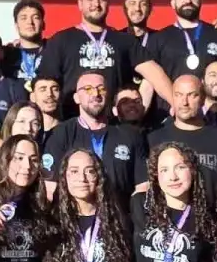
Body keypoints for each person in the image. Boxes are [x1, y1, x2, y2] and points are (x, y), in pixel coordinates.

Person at [38, 0, 173, 117]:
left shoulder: (124, 40)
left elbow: (154, 73)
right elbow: (45, 84)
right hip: (74, 121)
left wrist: (175, 103)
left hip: (114, 121)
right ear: (80, 4)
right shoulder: (61, 40)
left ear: (108, 4)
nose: (96, 4)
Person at [42, 70, 148, 202]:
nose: (96, 94)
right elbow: (50, 187)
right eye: (88, 89)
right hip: (73, 213)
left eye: (101, 89)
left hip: (120, 212)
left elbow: (142, 186)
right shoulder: (60, 133)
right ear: (76, 98)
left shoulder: (129, 135)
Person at [148, 75, 217, 190]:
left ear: (203, 99)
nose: (184, 102)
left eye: (192, 95)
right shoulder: (154, 140)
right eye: (178, 95)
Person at [146, 0, 217, 82]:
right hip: (172, 93)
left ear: (200, 1)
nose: (188, 0)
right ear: (173, 3)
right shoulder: (158, 39)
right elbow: (149, 81)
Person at [6, 0, 46, 89]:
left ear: (43, 24)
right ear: (16, 25)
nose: (30, 22)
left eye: (35, 17)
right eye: (24, 18)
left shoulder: (54, 50)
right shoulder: (7, 54)